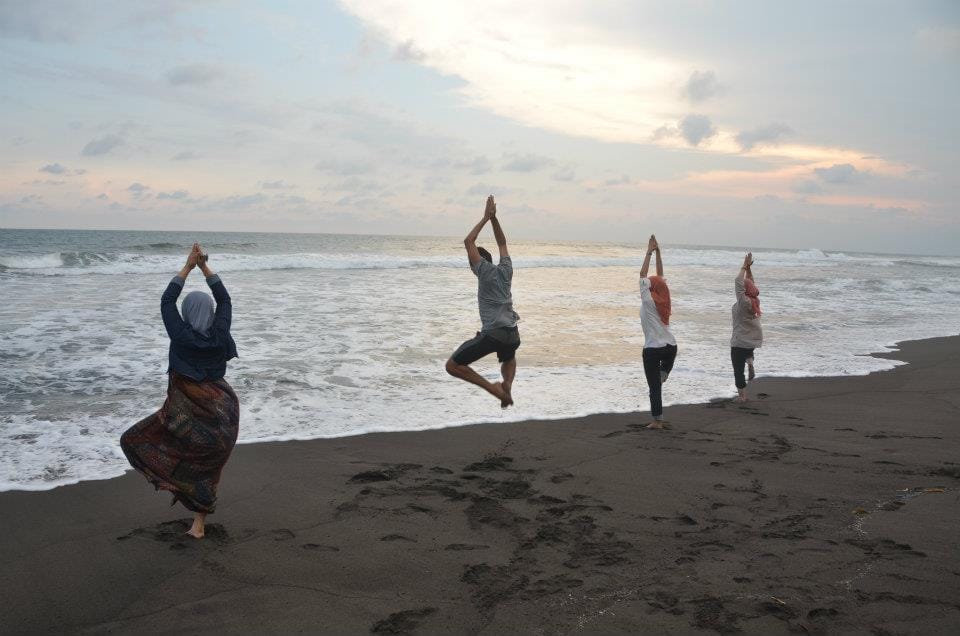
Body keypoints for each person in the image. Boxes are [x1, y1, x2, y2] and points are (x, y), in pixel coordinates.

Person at [120, 243, 239, 539]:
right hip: (223, 413)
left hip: (183, 414)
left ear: (186, 313)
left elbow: (166, 301)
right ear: (211, 313)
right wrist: (204, 267)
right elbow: (224, 300)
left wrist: (187, 267)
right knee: (208, 468)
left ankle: (179, 489)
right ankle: (198, 525)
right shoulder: (220, 333)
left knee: (132, 440)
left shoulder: (181, 334)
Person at [445, 195, 520, 408]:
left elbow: (469, 241)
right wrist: (495, 219)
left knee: (452, 365)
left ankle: (494, 390)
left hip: (494, 333)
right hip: (513, 334)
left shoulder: (483, 271)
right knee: (508, 356)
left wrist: (486, 217)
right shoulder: (506, 269)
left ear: (476, 262)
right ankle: (507, 385)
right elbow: (502, 242)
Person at [638, 235, 677, 429]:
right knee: (659, 379)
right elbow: (659, 277)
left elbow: (642, 275)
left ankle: (657, 421)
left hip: (653, 349)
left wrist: (649, 252)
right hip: (670, 347)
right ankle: (664, 372)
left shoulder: (648, 300)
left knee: (654, 388)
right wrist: (658, 252)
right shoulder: (664, 299)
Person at [731, 251, 762, 402]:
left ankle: (742, 396)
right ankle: (750, 361)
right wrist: (749, 268)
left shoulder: (743, 302)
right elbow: (750, 283)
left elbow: (738, 280)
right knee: (747, 352)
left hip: (740, 340)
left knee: (737, 369)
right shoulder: (755, 300)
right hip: (753, 338)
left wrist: (744, 265)